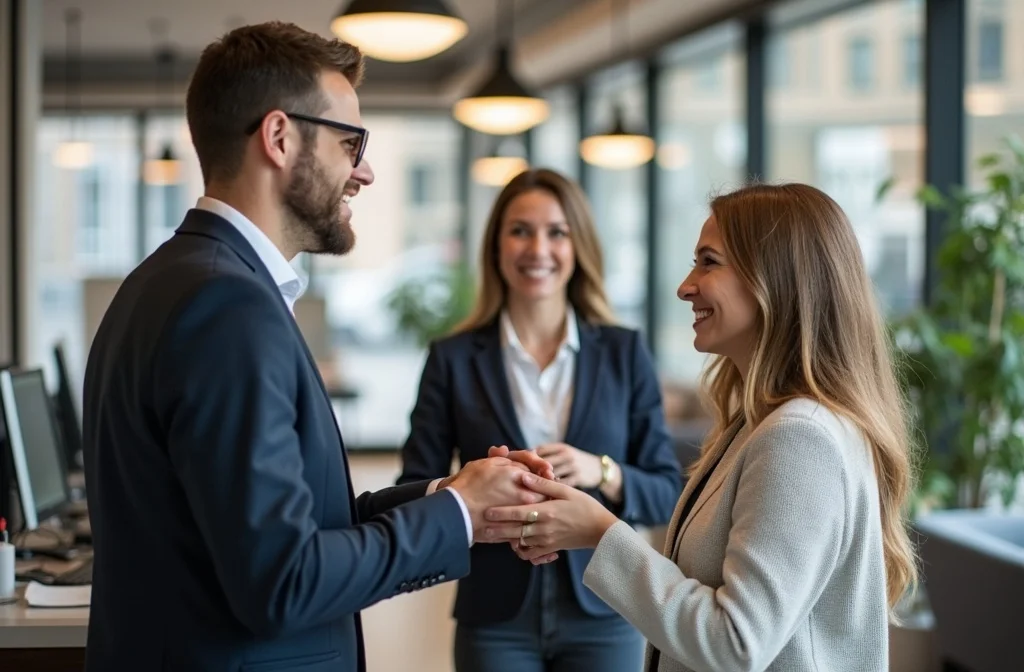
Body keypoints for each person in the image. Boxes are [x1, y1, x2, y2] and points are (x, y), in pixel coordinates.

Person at [81, 22, 552, 672]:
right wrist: (459, 513)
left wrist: (457, 493)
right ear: (279, 138)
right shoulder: (229, 308)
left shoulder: (171, 279)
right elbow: (284, 580)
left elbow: (298, 525)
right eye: (349, 142)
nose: (365, 170)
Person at [483, 183, 919, 672]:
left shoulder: (799, 438)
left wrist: (601, 531)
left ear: (774, 279)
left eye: (708, 262)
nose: (685, 286)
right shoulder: (759, 425)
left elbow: (734, 643)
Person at [397, 168, 683, 672]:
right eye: (520, 230)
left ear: (578, 246)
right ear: (496, 246)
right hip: (494, 613)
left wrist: (602, 471)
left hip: (606, 606)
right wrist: (474, 491)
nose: (538, 249)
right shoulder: (452, 358)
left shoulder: (623, 352)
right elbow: (414, 487)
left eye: (557, 232)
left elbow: (665, 490)